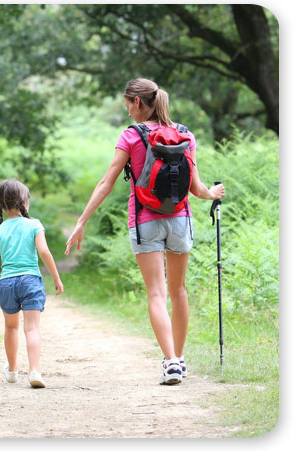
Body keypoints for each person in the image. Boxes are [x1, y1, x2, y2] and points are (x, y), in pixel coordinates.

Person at [65, 78, 225, 385]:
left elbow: (107, 182)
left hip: (144, 221)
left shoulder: (131, 136)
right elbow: (196, 188)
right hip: (180, 221)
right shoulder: (185, 135)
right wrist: (213, 193)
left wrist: (81, 220)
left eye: (127, 104)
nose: (127, 112)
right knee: (179, 291)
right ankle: (178, 358)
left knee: (156, 292)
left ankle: (171, 362)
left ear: (138, 102)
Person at [0, 179, 64, 388]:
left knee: (11, 327)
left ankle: (13, 370)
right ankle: (34, 370)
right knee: (32, 328)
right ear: (24, 202)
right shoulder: (34, 225)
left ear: (1, 206)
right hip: (30, 281)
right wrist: (56, 277)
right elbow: (44, 251)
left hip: (7, 283)